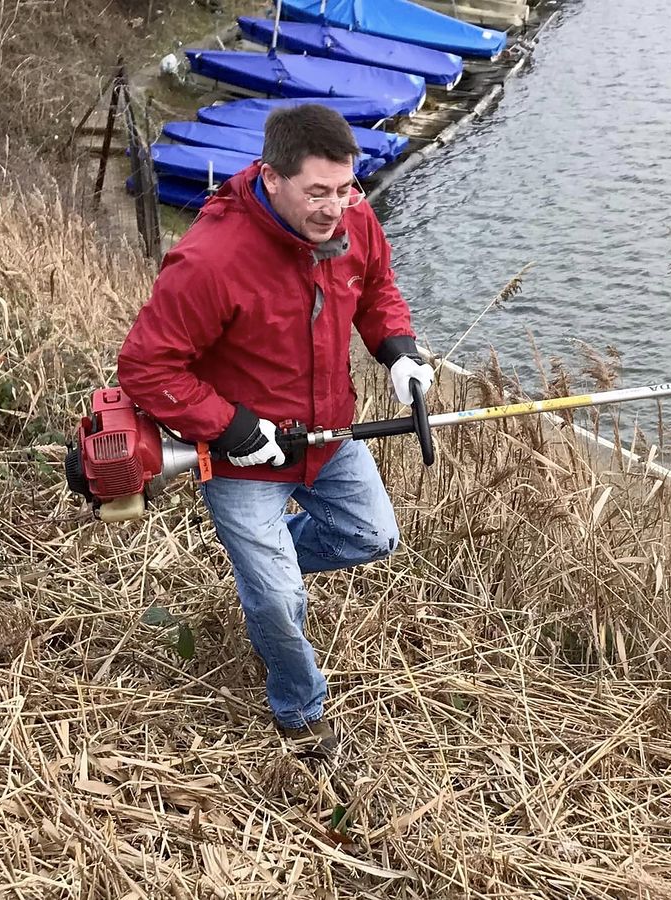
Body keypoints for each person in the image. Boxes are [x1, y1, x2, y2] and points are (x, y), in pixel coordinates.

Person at [116, 103, 435, 753]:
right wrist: (230, 427)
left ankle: (263, 568)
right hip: (239, 457)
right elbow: (147, 367)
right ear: (271, 176)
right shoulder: (212, 258)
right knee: (281, 604)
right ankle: (299, 710)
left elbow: (376, 290)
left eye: (345, 189)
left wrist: (399, 350)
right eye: (317, 192)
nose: (334, 208)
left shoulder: (354, 218)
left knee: (374, 536)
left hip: (327, 438)